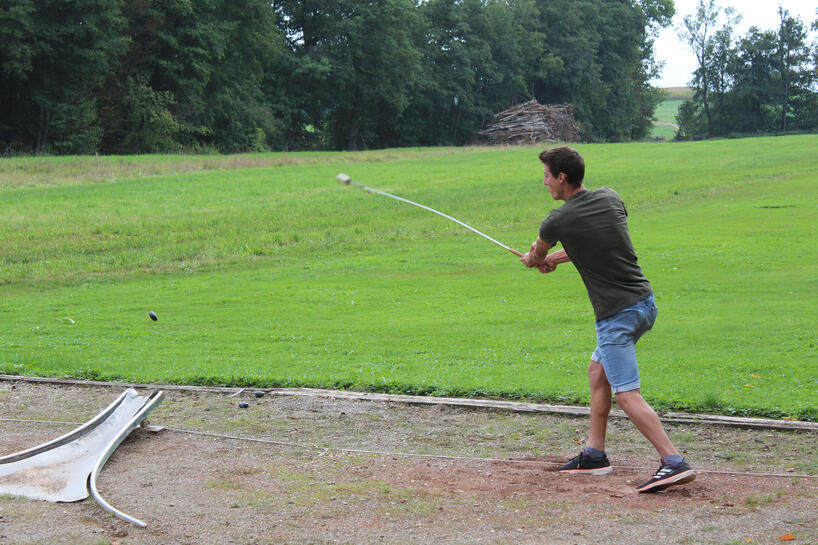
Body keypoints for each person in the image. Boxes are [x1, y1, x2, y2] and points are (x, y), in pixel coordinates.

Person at [521, 146, 695, 493]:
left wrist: (536, 258)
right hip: (644, 305)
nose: (544, 183)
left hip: (616, 315)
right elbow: (596, 241)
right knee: (597, 372)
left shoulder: (556, 220)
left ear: (562, 177)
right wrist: (556, 258)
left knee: (627, 395)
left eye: (546, 176)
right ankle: (595, 454)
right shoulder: (610, 197)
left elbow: (536, 256)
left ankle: (673, 461)